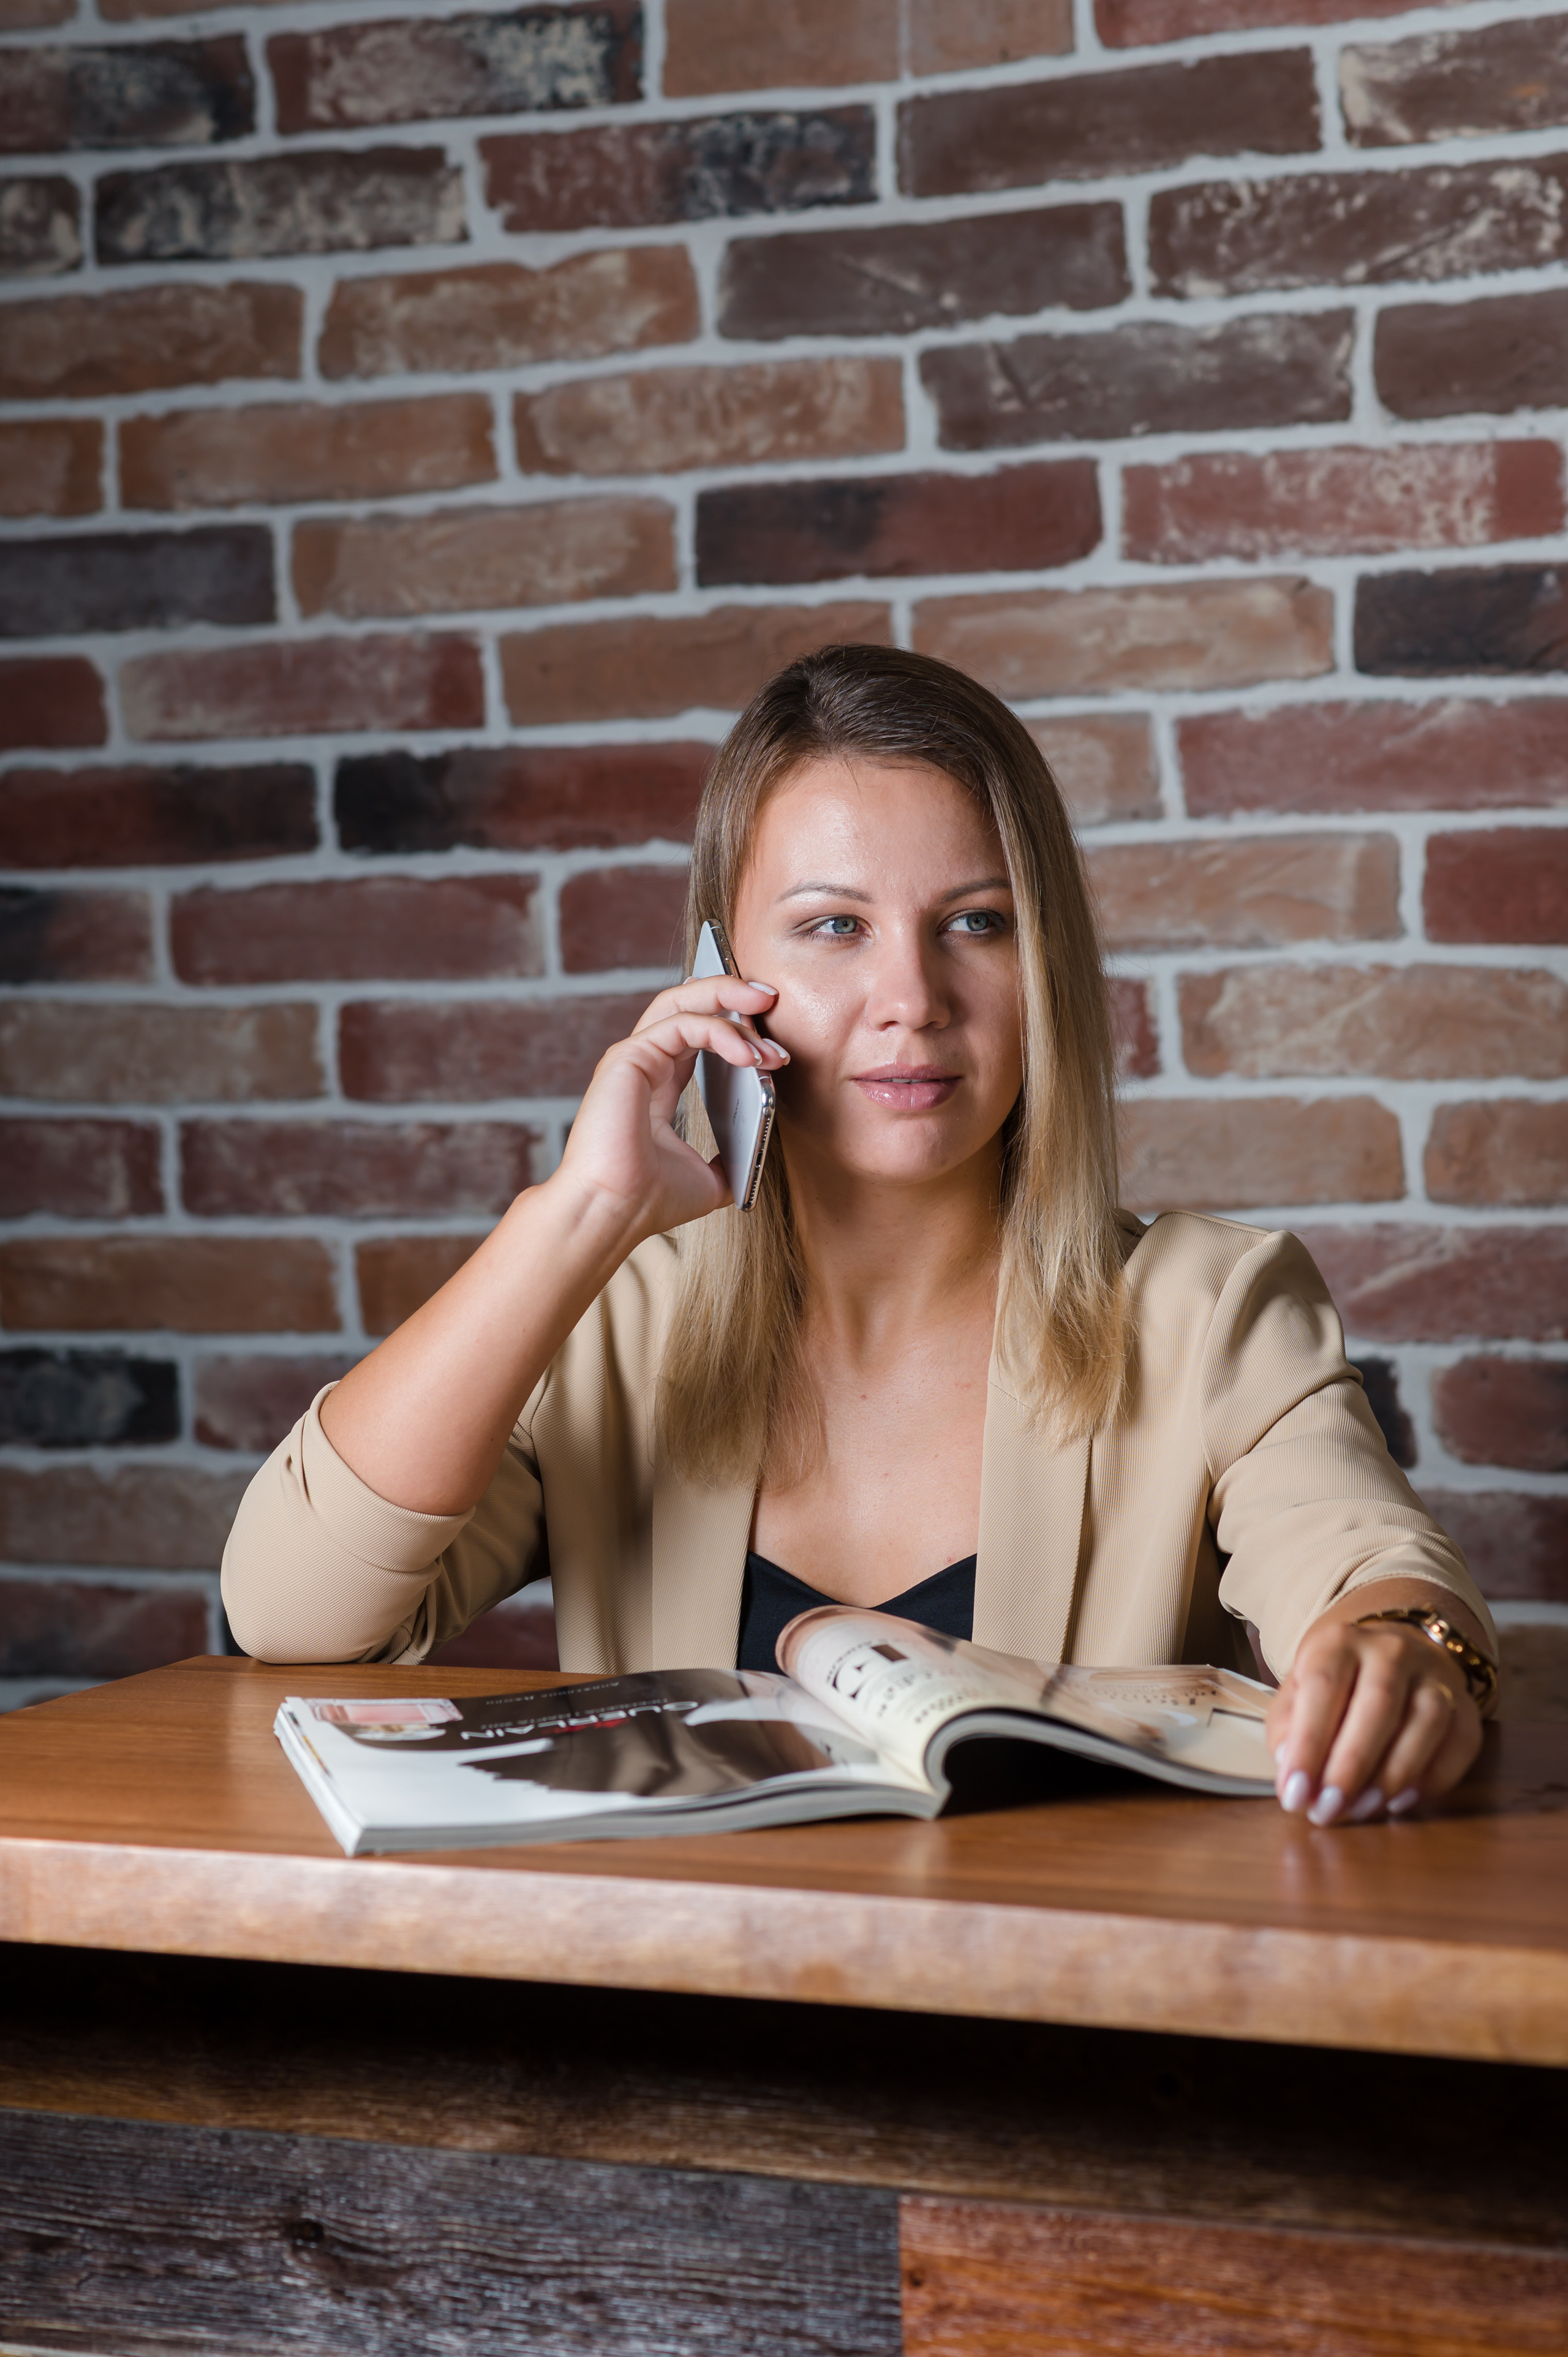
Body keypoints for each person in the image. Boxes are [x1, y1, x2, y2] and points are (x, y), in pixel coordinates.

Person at [222, 644, 1498, 1830]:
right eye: (834, 926)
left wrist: (1400, 1649)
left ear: (1041, 962)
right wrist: (579, 1215)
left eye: (976, 922)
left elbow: (1372, 1569)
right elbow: (288, 1614)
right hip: (665, 2004)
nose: (911, 1001)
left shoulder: (1209, 1307)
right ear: (722, 968)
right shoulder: (610, 1311)